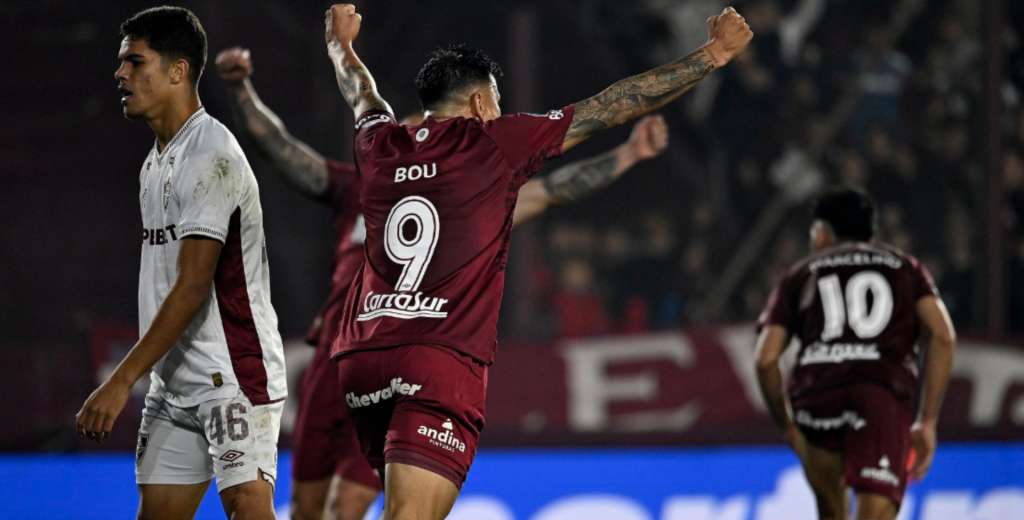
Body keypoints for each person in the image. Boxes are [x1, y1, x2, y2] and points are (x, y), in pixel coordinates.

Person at [323, 3, 751, 518]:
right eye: (498, 103)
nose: (502, 114)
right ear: (481, 102)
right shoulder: (491, 142)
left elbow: (360, 91)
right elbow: (611, 106)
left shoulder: (378, 143)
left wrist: (340, 45)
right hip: (436, 358)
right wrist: (713, 55)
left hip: (361, 360)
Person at [214, 45, 669, 520]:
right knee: (308, 511)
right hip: (346, 354)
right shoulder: (370, 178)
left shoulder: (459, 185)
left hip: (383, 353)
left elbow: (550, 192)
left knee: (346, 506)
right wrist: (242, 89)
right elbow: (285, 151)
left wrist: (626, 156)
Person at [74, 7, 286, 519]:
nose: (120, 74)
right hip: (173, 384)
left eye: (134, 61)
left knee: (245, 506)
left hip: (232, 375)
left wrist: (121, 379)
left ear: (178, 71)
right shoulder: (156, 161)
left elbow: (193, 286)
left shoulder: (211, 156)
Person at [755, 188, 956, 520]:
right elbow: (943, 336)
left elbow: (765, 359)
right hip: (878, 396)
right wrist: (928, 421)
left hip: (816, 398)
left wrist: (786, 425)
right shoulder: (904, 267)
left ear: (821, 234)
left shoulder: (799, 274)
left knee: (832, 513)